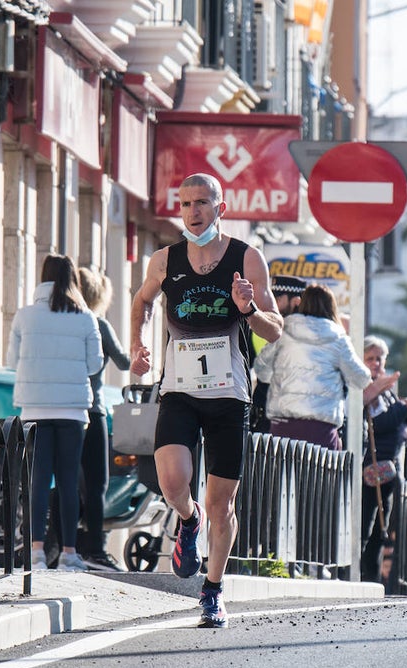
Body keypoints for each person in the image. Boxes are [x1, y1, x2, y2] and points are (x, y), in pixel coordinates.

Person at [129, 172, 282, 628]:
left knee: (222, 504)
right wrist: (138, 344)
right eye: (185, 203)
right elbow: (142, 301)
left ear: (221, 208)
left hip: (229, 395)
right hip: (178, 390)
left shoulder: (245, 258)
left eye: (202, 202)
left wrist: (248, 308)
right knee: (172, 481)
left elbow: (275, 330)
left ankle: (212, 591)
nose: (193, 212)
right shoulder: (165, 260)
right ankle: (187, 519)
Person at [7, 255, 103, 572]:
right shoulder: (86, 318)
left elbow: (12, 362)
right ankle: (68, 553)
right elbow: (95, 365)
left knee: (37, 480)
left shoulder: (24, 316)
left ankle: (35, 552)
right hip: (72, 409)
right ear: (73, 280)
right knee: (67, 481)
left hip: (34, 407)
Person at [252, 284, 371, 450]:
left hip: (282, 424)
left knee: (283, 466)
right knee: (321, 467)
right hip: (321, 428)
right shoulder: (339, 339)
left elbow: (261, 370)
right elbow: (361, 379)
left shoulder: (283, 331)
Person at [358, 335, 407, 583]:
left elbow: (404, 421)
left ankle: (372, 579)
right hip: (372, 471)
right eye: (370, 358)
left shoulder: (386, 390)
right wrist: (405, 406)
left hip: (388, 472)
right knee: (367, 526)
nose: (376, 363)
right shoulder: (365, 390)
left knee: (381, 529)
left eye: (379, 359)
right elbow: (381, 423)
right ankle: (360, 575)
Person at [77, 267, 130, 572]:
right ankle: (94, 548)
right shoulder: (98, 324)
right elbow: (123, 362)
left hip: (62, 410)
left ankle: (66, 546)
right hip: (93, 409)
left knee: (67, 481)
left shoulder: (64, 322)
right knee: (97, 482)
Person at [249, 275, 306, 433]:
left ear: (296, 302)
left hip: (285, 416)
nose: (272, 304)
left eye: (278, 299)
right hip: (267, 413)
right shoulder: (261, 327)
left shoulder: (300, 333)